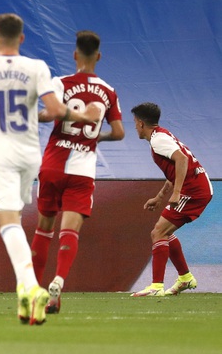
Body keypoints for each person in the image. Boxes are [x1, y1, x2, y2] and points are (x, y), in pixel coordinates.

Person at [0, 13, 100, 325]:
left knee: (7, 222)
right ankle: (27, 293)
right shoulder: (36, 68)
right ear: (22, 39)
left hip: (0, 153)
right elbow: (55, 110)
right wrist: (84, 117)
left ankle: (30, 287)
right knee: (17, 219)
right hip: (29, 155)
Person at [30, 30, 125, 314]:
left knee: (43, 229)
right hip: (83, 170)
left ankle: (34, 292)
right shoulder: (108, 91)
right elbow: (119, 133)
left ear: (74, 54)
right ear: (98, 56)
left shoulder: (60, 83)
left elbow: (50, 113)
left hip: (53, 164)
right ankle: (58, 282)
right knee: (69, 232)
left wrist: (40, 115)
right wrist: (94, 135)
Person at [130, 102, 213, 297]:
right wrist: (160, 197)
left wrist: (176, 193)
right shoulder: (161, 136)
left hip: (194, 191)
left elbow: (182, 160)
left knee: (158, 232)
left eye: (134, 122)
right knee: (162, 232)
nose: (134, 126)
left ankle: (156, 287)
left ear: (141, 123)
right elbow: (175, 168)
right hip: (196, 188)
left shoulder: (158, 140)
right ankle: (185, 278)